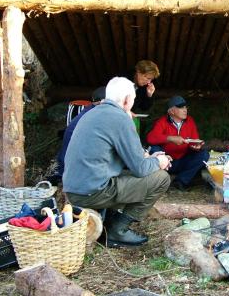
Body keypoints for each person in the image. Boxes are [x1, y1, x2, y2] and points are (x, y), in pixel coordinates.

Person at [63, 77, 171, 248]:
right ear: (127, 99)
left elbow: (119, 157)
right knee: (161, 178)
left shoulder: (93, 112)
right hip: (92, 193)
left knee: (132, 174)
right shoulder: (119, 118)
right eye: (133, 100)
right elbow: (140, 169)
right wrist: (160, 161)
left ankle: (110, 220)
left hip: (73, 189)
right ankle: (117, 230)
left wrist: (150, 158)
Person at [146, 96, 210, 191]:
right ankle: (160, 181)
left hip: (183, 160)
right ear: (171, 111)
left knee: (204, 154)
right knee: (154, 149)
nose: (185, 110)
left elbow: (194, 140)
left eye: (185, 107)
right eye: (181, 107)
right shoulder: (162, 122)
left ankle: (181, 181)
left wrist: (195, 147)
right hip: (167, 161)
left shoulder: (190, 121)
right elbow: (150, 138)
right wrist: (170, 138)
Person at [47, 86, 106, 186]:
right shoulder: (95, 116)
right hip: (75, 171)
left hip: (67, 166)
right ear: (103, 102)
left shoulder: (89, 111)